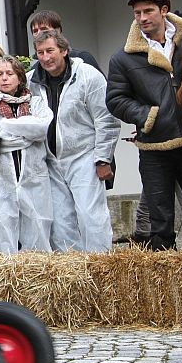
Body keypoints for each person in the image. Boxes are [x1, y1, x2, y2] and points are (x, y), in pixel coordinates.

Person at [107, 0, 182, 250]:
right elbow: (115, 100)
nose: (142, 18)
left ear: (164, 10)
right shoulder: (122, 58)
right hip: (155, 148)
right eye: (137, 13)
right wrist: (148, 116)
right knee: (159, 224)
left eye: (148, 10)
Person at [28, 30, 118, 252]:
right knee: (61, 223)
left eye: (50, 51)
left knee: (91, 216)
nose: (46, 57)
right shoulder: (31, 81)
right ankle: (73, 277)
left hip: (84, 155)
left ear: (64, 50)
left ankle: (100, 268)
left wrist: (103, 159)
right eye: (40, 52)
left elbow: (106, 120)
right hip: (49, 160)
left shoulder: (88, 76)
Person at [0, 56, 54, 254]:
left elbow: (43, 128)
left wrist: (7, 125)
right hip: (1, 176)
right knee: (1, 225)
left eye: (9, 73)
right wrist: (27, 134)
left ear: (19, 77)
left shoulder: (36, 102)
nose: (4, 78)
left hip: (34, 175)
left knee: (37, 224)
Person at [29, 10, 103, 75]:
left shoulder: (82, 58)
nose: (39, 33)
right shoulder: (35, 70)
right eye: (35, 31)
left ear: (58, 30)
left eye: (44, 29)